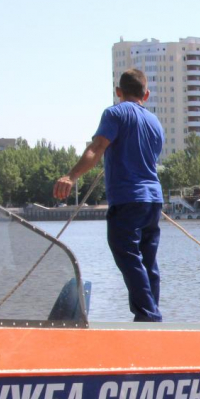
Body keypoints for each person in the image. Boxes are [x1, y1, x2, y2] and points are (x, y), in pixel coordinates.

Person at [53, 68, 165, 322]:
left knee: (125, 251)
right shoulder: (155, 122)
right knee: (147, 260)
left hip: (128, 198)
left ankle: (149, 316)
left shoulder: (114, 113)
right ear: (145, 95)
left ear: (118, 92)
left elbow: (96, 148)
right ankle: (151, 314)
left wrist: (71, 176)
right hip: (153, 200)